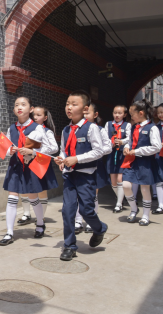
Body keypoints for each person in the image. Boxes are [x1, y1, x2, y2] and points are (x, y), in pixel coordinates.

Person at [54, 90, 108, 261]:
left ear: (85, 109)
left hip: (86, 176)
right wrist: (62, 159)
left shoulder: (91, 128)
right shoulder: (66, 130)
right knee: (67, 211)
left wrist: (77, 159)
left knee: (86, 210)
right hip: (70, 176)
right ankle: (69, 246)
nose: (69, 107)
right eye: (67, 104)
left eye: (74, 104)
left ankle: (99, 228)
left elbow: (98, 151)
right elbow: (64, 149)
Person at [0, 97, 47, 244]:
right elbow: (5, 147)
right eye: (16, 105)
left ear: (31, 109)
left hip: (30, 166)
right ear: (14, 110)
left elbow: (47, 147)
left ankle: (40, 223)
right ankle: (9, 232)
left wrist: (32, 151)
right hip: (15, 165)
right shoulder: (11, 128)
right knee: (12, 198)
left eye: (23, 104)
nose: (19, 107)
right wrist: (10, 150)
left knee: (33, 198)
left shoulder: (37, 127)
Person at [122, 99, 163, 226]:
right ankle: (134, 208)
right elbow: (129, 142)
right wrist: (126, 148)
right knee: (126, 185)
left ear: (141, 113)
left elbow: (156, 147)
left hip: (146, 162)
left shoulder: (152, 128)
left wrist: (137, 151)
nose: (131, 116)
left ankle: (145, 215)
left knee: (145, 188)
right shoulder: (134, 127)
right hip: (132, 161)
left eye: (132, 113)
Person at [18, 106, 58, 225]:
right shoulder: (25, 129)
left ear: (45, 118)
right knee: (24, 189)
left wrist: (35, 151)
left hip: (40, 163)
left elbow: (54, 148)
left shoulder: (47, 131)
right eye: (34, 115)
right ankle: (26, 214)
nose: (35, 117)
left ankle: (41, 217)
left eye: (39, 115)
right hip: (25, 162)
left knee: (40, 190)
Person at [75, 103, 112, 233]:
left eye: (87, 113)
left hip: (95, 165)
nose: (84, 116)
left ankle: (91, 221)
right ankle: (78, 220)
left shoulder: (100, 130)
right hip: (78, 165)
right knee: (79, 193)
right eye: (83, 113)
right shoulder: (75, 129)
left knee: (92, 194)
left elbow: (108, 147)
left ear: (95, 115)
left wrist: (97, 151)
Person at [105, 105, 131, 213]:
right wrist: (111, 143)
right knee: (113, 182)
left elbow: (130, 138)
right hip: (111, 153)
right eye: (115, 112)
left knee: (120, 179)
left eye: (119, 113)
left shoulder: (127, 125)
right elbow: (105, 138)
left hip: (122, 155)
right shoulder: (108, 124)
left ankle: (119, 204)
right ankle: (121, 197)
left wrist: (122, 142)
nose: (117, 115)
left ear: (124, 115)